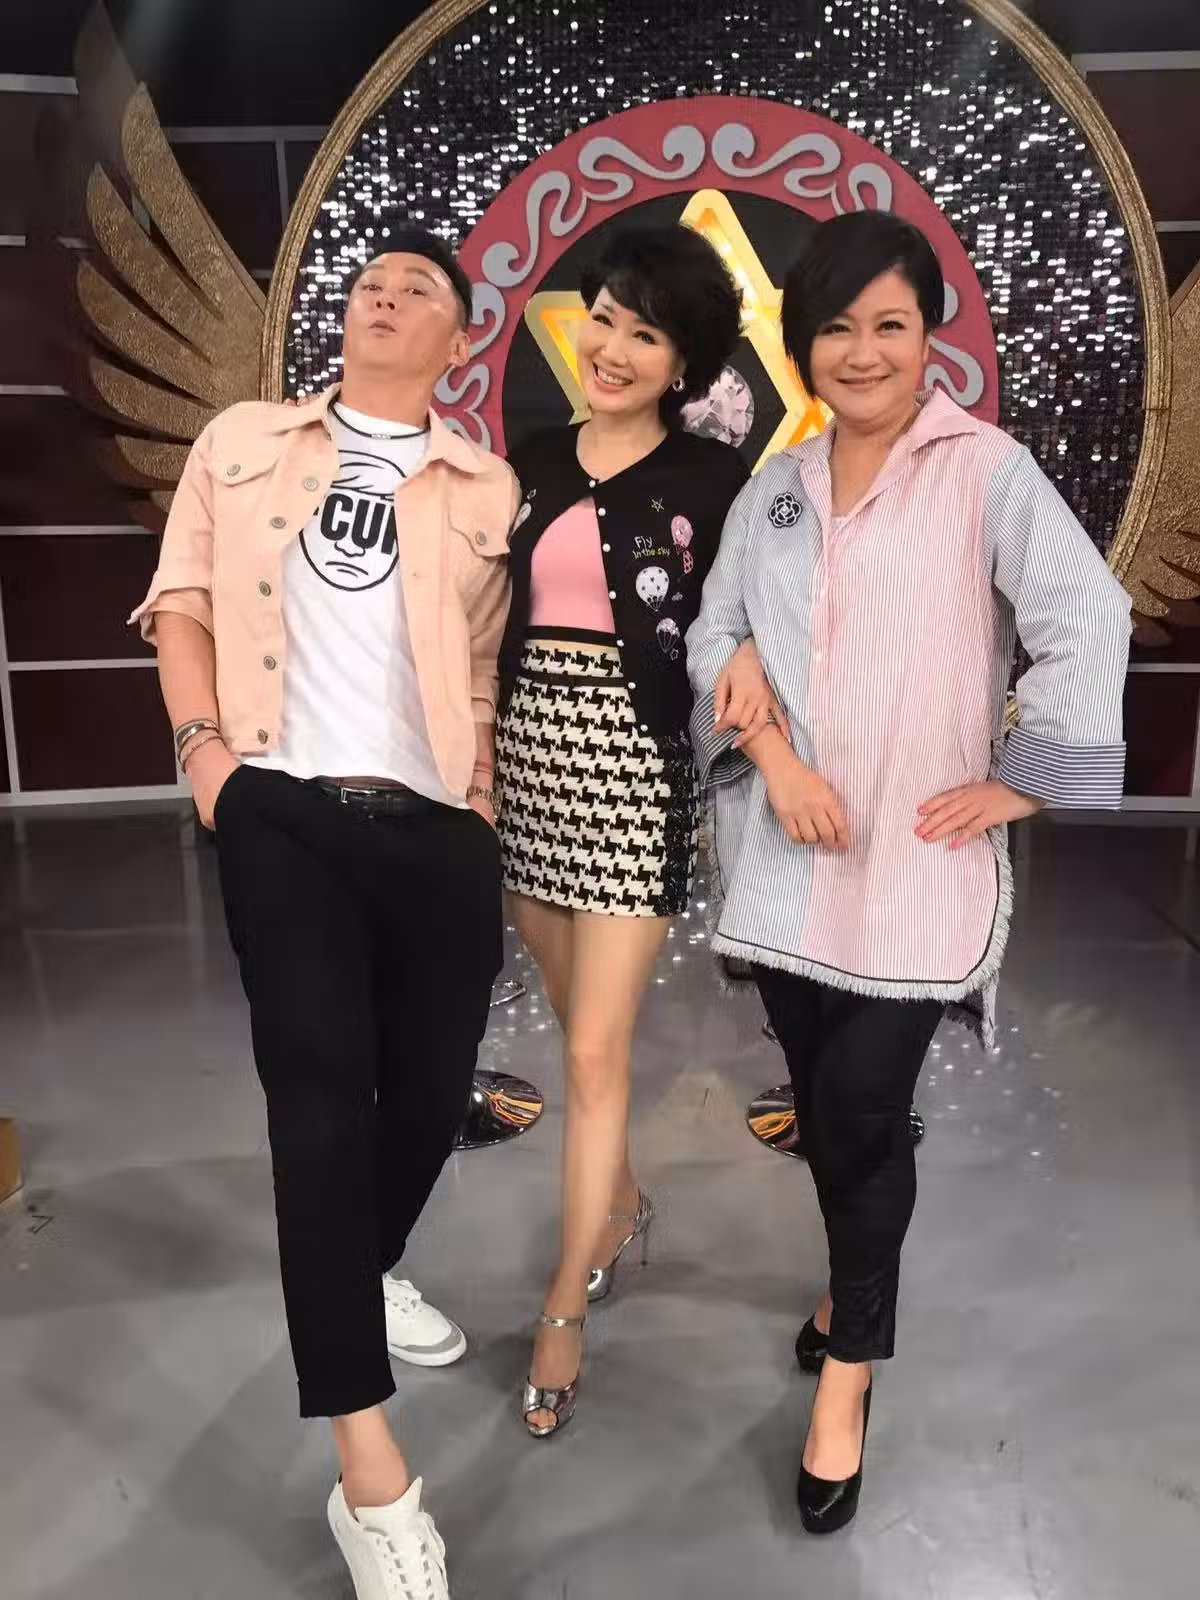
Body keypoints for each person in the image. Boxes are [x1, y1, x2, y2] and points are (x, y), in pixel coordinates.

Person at [687, 210, 1131, 1533]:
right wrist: (771, 753)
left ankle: (850, 1374)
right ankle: (849, 1285)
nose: (863, 351)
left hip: (919, 864)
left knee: (864, 1109)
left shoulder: (985, 470)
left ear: (930, 334)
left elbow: (1086, 613)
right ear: (802, 344)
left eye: (890, 324)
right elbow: (716, 629)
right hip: (788, 858)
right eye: (836, 327)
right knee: (828, 1110)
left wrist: (1025, 781)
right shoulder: (777, 485)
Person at [132, 229, 519, 1600]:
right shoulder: (243, 440)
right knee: (315, 1112)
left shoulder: (484, 484)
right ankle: (372, 1476)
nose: (386, 296)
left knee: (428, 1100)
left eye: (420, 291)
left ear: (460, 341)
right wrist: (208, 764)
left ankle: (363, 1269)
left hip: (436, 826)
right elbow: (181, 602)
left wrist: (479, 807)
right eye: (371, 284)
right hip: (281, 808)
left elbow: (479, 661)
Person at [495, 223, 774, 1436]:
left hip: (632, 772)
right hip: (524, 767)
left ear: (684, 363)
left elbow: (753, 615)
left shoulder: (718, 481)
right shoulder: (525, 462)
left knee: (596, 1054)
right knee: (576, 1031)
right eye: (604, 317)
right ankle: (617, 1204)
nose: (610, 346)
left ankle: (565, 1301)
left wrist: (750, 666)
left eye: (644, 333)